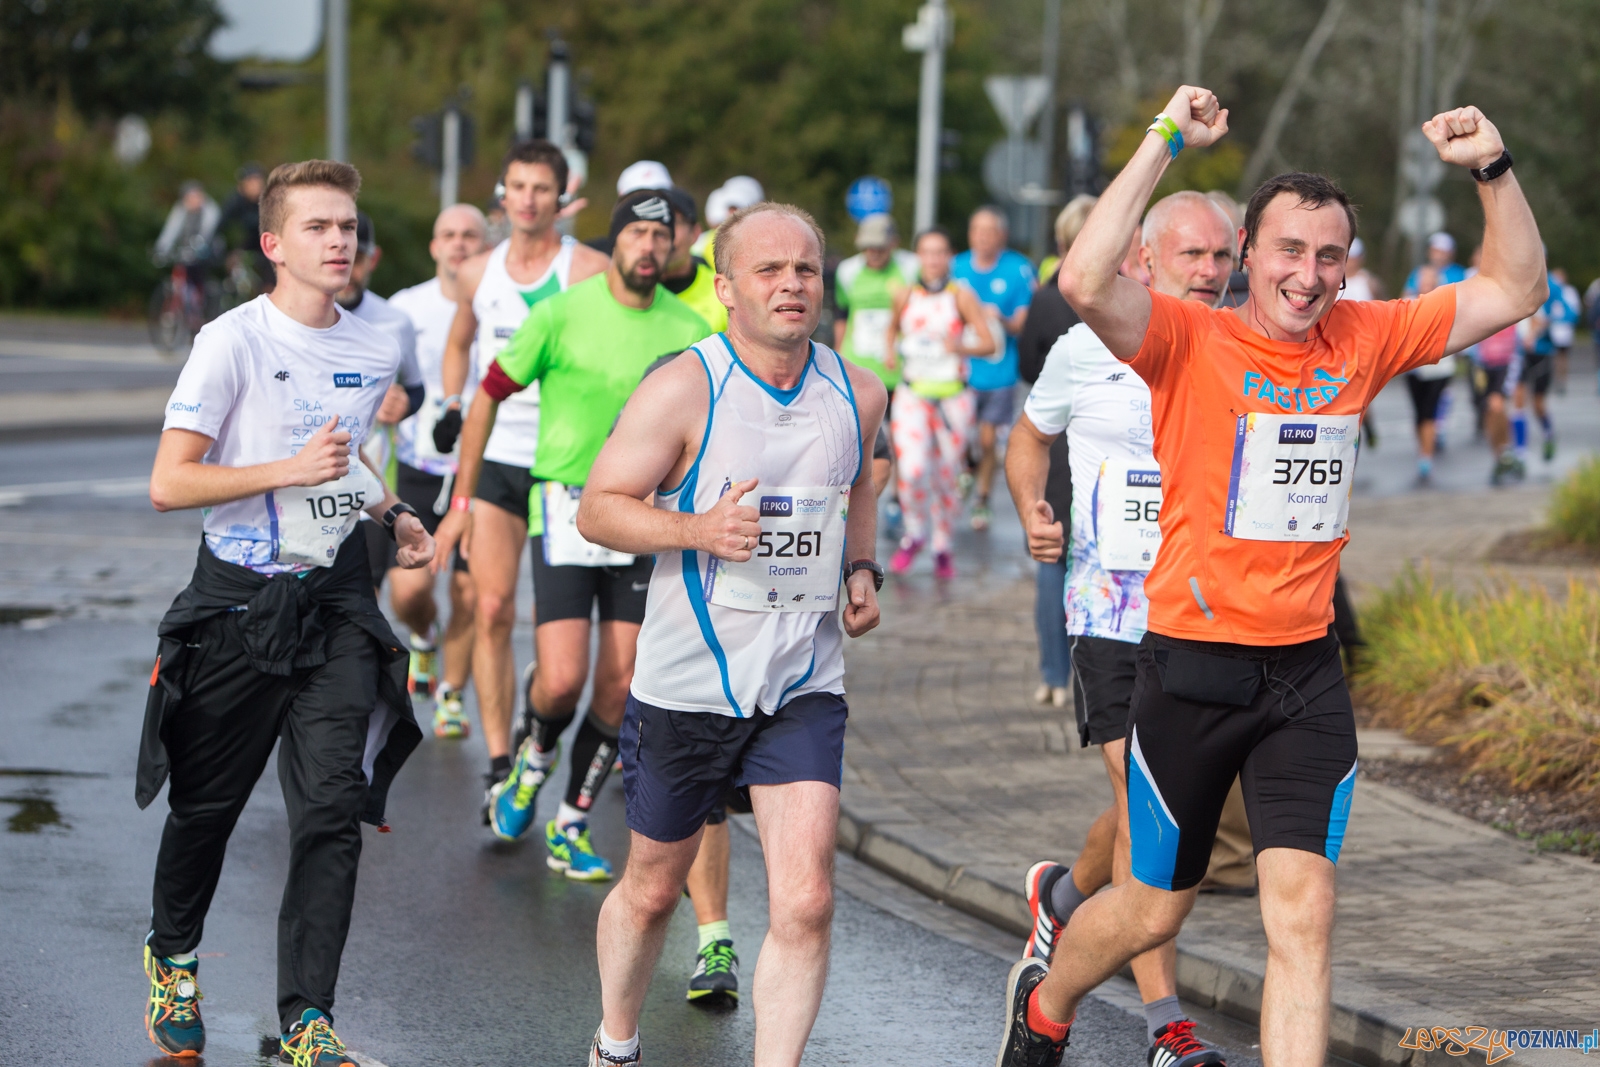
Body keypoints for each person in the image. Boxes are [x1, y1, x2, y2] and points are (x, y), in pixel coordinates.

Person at [996, 86, 1546, 1067]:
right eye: (1288, 251)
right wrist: (1164, 138)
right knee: (1152, 903)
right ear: (1248, 254)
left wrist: (1491, 171)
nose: (1308, 274)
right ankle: (1048, 1001)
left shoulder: (1365, 337)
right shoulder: (1184, 336)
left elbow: (1515, 289)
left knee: (1304, 915)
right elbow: (1082, 278)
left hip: (1302, 674)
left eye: (1328, 254)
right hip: (1190, 669)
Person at [137, 159, 437, 1066]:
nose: (340, 240)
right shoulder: (230, 341)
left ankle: (308, 1019)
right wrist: (283, 471)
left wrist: (391, 512)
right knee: (208, 807)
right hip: (237, 599)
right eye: (319, 227)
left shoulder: (373, 346)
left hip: (336, 595)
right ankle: (173, 955)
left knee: (329, 811)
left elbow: (343, 457)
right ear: (274, 244)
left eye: (347, 225)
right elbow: (168, 483)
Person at [575, 200, 886, 1067]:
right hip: (687, 685)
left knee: (808, 899)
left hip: (802, 682)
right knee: (651, 890)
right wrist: (698, 530)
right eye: (770, 270)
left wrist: (861, 569)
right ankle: (616, 1042)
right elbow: (600, 508)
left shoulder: (858, 389)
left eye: (807, 270)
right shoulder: (684, 384)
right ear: (725, 287)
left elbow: (860, 481)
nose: (793, 284)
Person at [1007, 190, 1238, 1067]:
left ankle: (1061, 895)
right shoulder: (1084, 345)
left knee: (1151, 806)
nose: (1212, 274)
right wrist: (1033, 504)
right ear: (1144, 260)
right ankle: (1166, 1026)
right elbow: (1028, 437)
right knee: (1154, 817)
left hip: (1205, 612)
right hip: (1107, 609)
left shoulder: (1244, 343)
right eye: (1194, 258)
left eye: (1223, 258)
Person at [434, 190, 710, 881]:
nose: (648, 246)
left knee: (619, 685)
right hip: (564, 505)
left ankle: (571, 822)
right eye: (637, 233)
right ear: (613, 241)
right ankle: (530, 762)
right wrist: (463, 496)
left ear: (673, 247)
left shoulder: (689, 330)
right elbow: (488, 394)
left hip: (643, 519)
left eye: (661, 235)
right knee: (561, 679)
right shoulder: (558, 313)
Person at [434, 140, 611, 812]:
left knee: (555, 624)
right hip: (498, 461)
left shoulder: (589, 267)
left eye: (541, 189)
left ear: (562, 199)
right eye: (516, 187)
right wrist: (453, 405)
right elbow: (459, 343)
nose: (528, 200)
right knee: (490, 606)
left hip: (564, 464)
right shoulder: (477, 270)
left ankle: (544, 702)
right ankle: (499, 761)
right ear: (502, 194)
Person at [383, 204, 491, 737]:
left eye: (470, 235)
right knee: (408, 591)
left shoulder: (501, 300)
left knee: (471, 593)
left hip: (482, 468)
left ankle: (451, 694)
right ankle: (423, 636)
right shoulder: (406, 308)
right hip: (419, 465)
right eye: (447, 234)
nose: (458, 244)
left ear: (485, 244)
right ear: (433, 246)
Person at [1017, 195, 1096, 707]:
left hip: (1054, 437)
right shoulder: (1127, 295)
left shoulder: (1046, 300)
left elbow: (1025, 366)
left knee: (1053, 553)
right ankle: (1092, 668)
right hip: (1104, 440)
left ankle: (1052, 675)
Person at [883, 227, 996, 579]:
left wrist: (959, 347)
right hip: (913, 393)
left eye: (940, 252)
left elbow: (989, 343)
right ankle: (915, 533)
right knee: (914, 469)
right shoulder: (903, 295)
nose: (933, 260)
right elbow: (891, 330)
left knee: (948, 476)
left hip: (953, 398)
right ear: (918, 256)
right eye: (927, 252)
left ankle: (942, 544)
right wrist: (890, 351)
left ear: (949, 257)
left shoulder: (960, 297)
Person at [953, 207, 1036, 530]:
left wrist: (996, 317)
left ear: (1001, 235)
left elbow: (1021, 324)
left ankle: (983, 498)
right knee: (962, 436)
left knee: (987, 441)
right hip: (961, 372)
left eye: (990, 231)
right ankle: (966, 467)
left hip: (1000, 372)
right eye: (977, 230)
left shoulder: (1018, 269)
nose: (982, 237)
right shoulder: (955, 267)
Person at [1401, 265, 1455, 483]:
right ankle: (1423, 449)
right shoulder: (1408, 303)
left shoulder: (1445, 303)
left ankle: (1426, 457)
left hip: (1439, 368)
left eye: (1429, 279)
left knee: (1429, 411)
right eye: (1422, 279)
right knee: (1418, 413)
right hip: (1414, 368)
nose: (1425, 282)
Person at [662, 187, 728, 332]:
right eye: (657, 223)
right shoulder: (624, 291)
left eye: (673, 222)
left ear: (695, 233)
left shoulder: (724, 293)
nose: (663, 233)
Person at [154, 179, 222, 301]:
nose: (193, 201)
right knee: (181, 270)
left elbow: (207, 231)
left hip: (207, 248)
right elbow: (171, 229)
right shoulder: (180, 210)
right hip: (186, 248)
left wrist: (198, 245)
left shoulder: (210, 210)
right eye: (189, 197)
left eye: (196, 196)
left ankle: (202, 303)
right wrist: (161, 247)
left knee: (198, 274)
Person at [219, 163, 272, 290]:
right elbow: (223, 227)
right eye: (250, 181)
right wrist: (229, 251)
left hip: (266, 246)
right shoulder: (234, 202)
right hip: (243, 247)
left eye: (257, 181)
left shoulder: (269, 201)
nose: (254, 185)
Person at [1547, 266, 1580, 394]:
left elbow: (1574, 312)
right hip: (1551, 329)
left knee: (1562, 357)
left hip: (1564, 330)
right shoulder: (1550, 291)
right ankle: (1555, 379)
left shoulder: (1569, 291)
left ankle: (1562, 380)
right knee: (1552, 357)